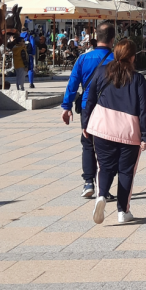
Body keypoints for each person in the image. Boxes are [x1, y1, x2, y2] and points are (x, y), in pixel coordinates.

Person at [84, 39, 146, 225]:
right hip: (129, 130)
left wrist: (85, 124)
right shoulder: (138, 79)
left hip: (102, 127)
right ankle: (123, 211)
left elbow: (90, 100)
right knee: (126, 171)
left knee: (104, 167)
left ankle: (101, 196)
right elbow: (144, 110)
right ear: (132, 57)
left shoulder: (101, 72)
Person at [61, 23, 116, 199]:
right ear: (112, 39)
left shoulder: (83, 59)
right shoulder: (116, 59)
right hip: (110, 107)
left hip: (87, 107)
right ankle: (104, 188)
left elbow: (72, 83)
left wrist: (67, 106)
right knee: (108, 146)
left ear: (96, 38)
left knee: (88, 143)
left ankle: (88, 182)